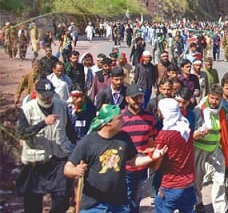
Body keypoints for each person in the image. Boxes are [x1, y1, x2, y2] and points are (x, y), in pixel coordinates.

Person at [64, 104, 168, 212]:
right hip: (94, 204)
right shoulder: (88, 142)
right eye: (119, 118)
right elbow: (68, 168)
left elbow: (133, 161)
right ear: (108, 122)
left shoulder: (123, 137)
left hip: (119, 203)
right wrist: (75, 171)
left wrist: (152, 157)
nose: (123, 120)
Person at [16, 78, 75, 213]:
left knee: (62, 198)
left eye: (50, 95)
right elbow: (22, 133)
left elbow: (70, 132)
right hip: (36, 161)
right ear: (36, 93)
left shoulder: (62, 105)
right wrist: (43, 123)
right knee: (32, 203)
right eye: (45, 95)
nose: (48, 98)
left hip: (58, 157)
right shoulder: (27, 109)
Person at [152, 98, 197, 213]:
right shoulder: (187, 131)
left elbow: (155, 166)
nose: (159, 114)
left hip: (170, 186)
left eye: (159, 111)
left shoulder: (164, 135)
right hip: (189, 184)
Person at [193, 86, 228, 213]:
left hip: (216, 150)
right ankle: (198, 203)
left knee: (220, 181)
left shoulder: (221, 111)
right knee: (197, 181)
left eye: (217, 99)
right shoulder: (199, 110)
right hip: (199, 150)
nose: (214, 101)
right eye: (212, 98)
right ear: (208, 96)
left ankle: (221, 210)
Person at [121, 85, 158, 213]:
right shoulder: (120, 118)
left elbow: (152, 140)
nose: (138, 101)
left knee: (137, 199)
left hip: (142, 168)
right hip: (125, 168)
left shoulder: (149, 118)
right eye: (134, 98)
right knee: (125, 199)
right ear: (127, 99)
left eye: (140, 97)